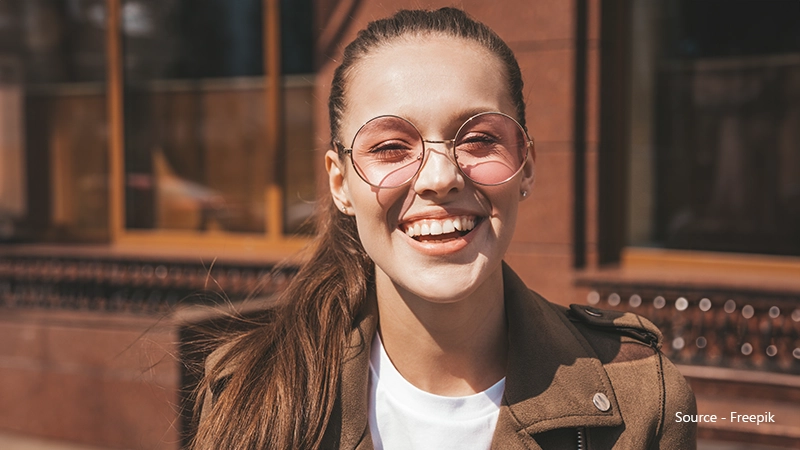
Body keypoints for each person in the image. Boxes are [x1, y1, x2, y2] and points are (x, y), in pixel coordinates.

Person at [190, 7, 697, 449]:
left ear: (526, 165)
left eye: (478, 139)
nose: (439, 177)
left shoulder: (645, 398)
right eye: (390, 147)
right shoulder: (250, 391)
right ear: (341, 184)